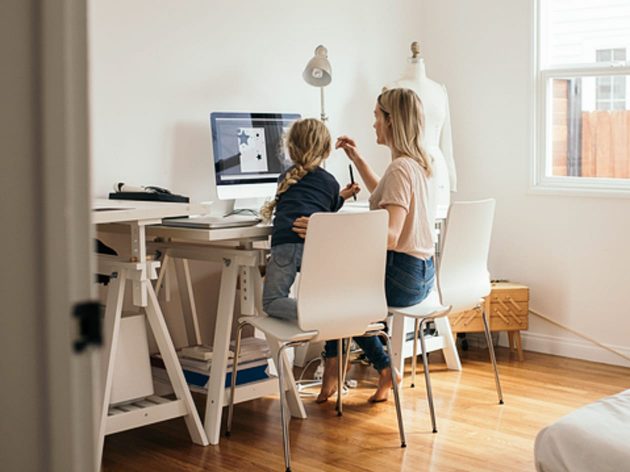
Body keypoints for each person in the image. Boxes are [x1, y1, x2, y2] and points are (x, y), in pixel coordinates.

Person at [293, 88, 437, 403]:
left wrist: (325, 231)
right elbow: (383, 194)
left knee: (336, 293)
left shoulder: (400, 168)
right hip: (424, 275)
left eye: (376, 116)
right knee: (340, 284)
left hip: (403, 274)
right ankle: (336, 368)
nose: (373, 124)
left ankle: (379, 367)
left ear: (390, 121)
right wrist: (357, 159)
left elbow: (391, 235)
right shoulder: (414, 164)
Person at [261, 118, 359, 322]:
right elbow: (326, 209)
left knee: (272, 301)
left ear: (290, 147)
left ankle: (317, 311)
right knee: (322, 294)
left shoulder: (286, 178)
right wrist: (343, 196)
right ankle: (325, 310)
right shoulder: (330, 183)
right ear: (326, 150)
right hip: (314, 248)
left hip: (285, 246)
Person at [389, 42, 457, 213]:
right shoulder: (394, 89)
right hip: (409, 165)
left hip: (438, 167)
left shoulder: (439, 90)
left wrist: (451, 176)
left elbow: (446, 137)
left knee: (438, 227)